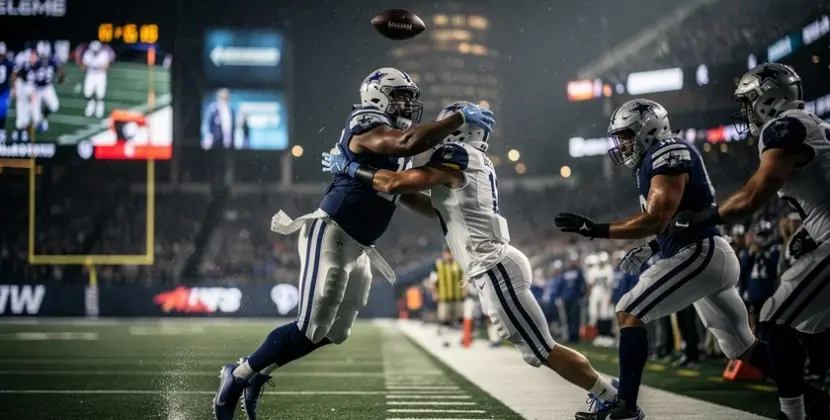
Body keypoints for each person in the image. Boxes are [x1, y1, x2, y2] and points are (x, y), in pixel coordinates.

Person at [323, 100, 642, 417]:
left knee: (541, 349)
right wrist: (385, 184)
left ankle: (613, 398)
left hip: (494, 266)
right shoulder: (470, 159)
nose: (438, 135)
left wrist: (351, 168)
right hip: (494, 265)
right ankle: (611, 395)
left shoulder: (457, 154)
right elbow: (432, 207)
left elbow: (394, 183)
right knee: (537, 349)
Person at [212, 68, 494, 420]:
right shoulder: (366, 120)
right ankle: (238, 375)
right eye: (400, 96)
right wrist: (458, 118)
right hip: (331, 232)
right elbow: (407, 143)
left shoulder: (397, 141)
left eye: (410, 97)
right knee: (310, 325)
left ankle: (258, 371)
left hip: (359, 246)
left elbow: (403, 192)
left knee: (335, 332)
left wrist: (452, 211)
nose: (408, 104)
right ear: (377, 95)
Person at [555, 98, 777, 420]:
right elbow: (673, 222)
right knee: (741, 346)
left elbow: (656, 219)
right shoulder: (654, 159)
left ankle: (626, 407)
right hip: (703, 253)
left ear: (647, 130)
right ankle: (811, 396)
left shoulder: (667, 152)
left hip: (700, 252)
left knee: (630, 310)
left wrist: (595, 229)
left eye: (626, 135)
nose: (622, 144)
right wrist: (654, 247)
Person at [668, 63, 830, 420]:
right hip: (822, 230)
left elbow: (757, 191)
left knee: (774, 321)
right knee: (807, 326)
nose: (745, 111)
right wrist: (808, 230)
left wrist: (705, 217)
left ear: (769, 98)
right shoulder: (808, 124)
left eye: (748, 101)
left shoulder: (784, 126)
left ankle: (797, 413)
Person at [432, 247, 465, 346]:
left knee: (459, 319)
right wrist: (435, 293)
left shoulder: (458, 264)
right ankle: (445, 340)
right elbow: (433, 281)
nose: (448, 256)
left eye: (450, 253)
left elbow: (463, 279)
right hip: (444, 298)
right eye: (446, 253)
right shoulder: (438, 265)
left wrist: (464, 292)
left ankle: (460, 339)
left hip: (457, 297)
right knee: (445, 320)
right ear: (443, 254)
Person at [81, 40, 111, 119]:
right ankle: (90, 105)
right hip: (90, 75)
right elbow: (83, 66)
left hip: (100, 75)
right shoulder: (87, 54)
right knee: (87, 92)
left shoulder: (104, 54)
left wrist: (98, 67)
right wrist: (85, 67)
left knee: (100, 93)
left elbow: (106, 66)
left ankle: (100, 108)